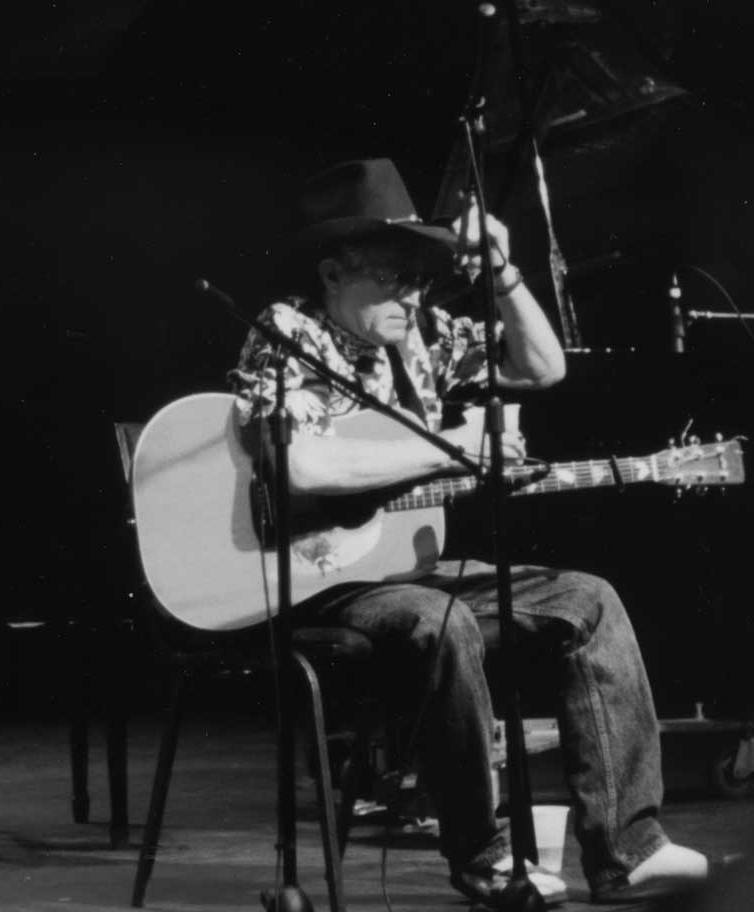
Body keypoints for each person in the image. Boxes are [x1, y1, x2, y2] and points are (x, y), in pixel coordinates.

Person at [229, 159, 721, 906]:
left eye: (422, 277)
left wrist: (504, 276)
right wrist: (447, 448)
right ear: (333, 272)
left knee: (587, 601)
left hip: (402, 566)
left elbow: (542, 367)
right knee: (445, 620)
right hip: (310, 577)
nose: (414, 292)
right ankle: (484, 859)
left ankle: (628, 850)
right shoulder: (288, 330)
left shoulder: (418, 337)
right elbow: (296, 463)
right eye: (394, 276)